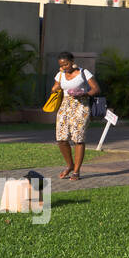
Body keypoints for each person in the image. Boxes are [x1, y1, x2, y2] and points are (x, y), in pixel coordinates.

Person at [53, 51, 100, 181]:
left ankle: (76, 171)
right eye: (61, 65)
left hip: (81, 106)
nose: (64, 67)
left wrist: (85, 94)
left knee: (78, 139)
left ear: (72, 62)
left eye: (66, 64)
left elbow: (96, 89)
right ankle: (70, 165)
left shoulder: (84, 72)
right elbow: (55, 87)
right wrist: (55, 88)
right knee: (61, 139)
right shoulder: (60, 74)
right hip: (64, 106)